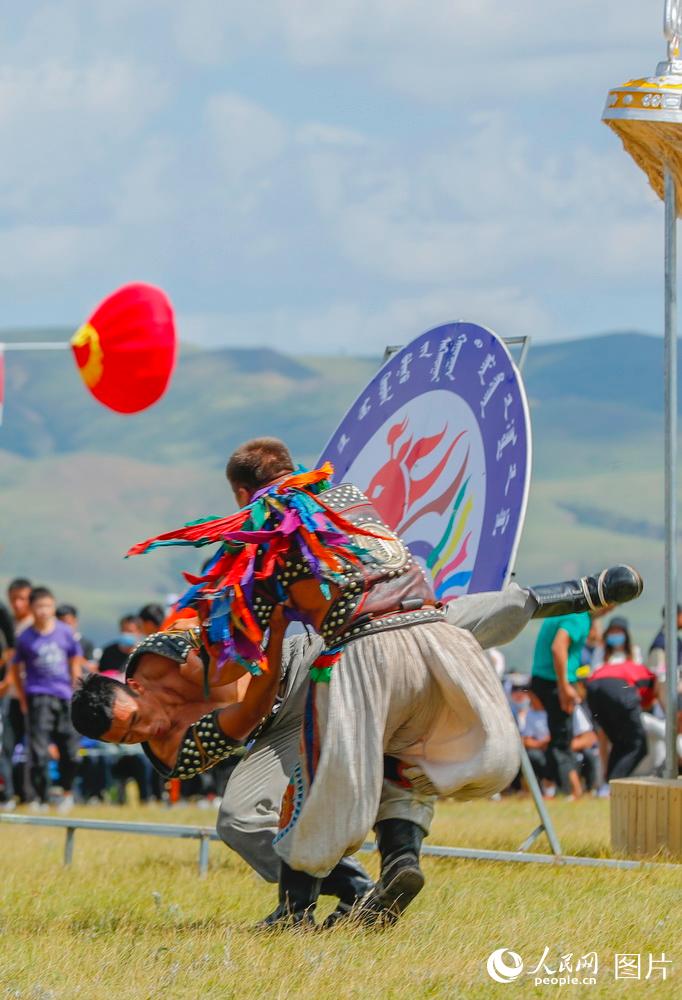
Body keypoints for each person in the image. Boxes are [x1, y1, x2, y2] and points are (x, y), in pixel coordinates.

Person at [127, 436, 644, 928]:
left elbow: (239, 659)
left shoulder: (263, 534)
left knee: (325, 781)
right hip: (434, 637)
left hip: (359, 654)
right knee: (406, 745)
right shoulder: (349, 496)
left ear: (243, 494)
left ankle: (297, 910)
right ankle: (576, 592)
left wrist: (244, 634)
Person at [13, 587, 83, 811]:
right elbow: (16, 668)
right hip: (38, 695)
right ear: (31, 609)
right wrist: (23, 698)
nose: (44, 611)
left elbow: (75, 660)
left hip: (64, 695)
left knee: (71, 750)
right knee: (38, 751)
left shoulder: (64, 632)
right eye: (39, 606)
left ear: (53, 607)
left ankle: (66, 792)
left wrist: (77, 688)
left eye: (48, 606)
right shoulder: (25, 637)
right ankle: (40, 798)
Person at [586, 616, 657, 781]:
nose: (616, 635)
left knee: (621, 742)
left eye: (619, 632)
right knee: (636, 744)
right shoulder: (601, 651)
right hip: (618, 696)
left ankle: (609, 781)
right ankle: (612, 779)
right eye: (613, 632)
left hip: (608, 694)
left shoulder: (634, 652)